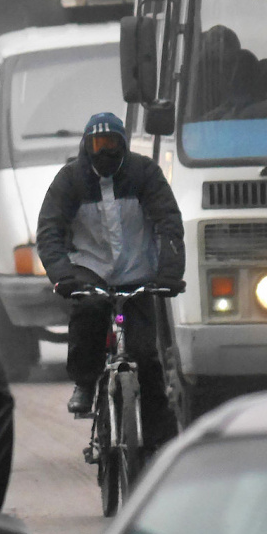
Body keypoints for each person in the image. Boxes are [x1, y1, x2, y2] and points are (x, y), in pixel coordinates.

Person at [36, 111, 185, 450]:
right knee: (88, 311)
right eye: (97, 144)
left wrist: (170, 274)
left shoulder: (145, 174)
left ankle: (160, 449)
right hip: (90, 269)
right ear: (86, 146)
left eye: (112, 144)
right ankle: (86, 384)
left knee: (147, 357)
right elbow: (49, 233)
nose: (105, 153)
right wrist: (62, 277)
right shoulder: (69, 180)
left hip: (137, 272)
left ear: (124, 145)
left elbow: (168, 223)